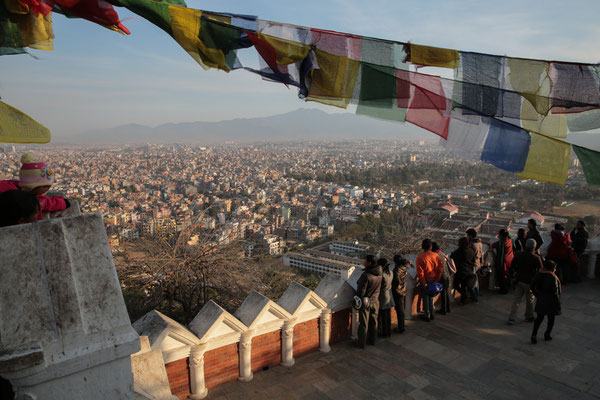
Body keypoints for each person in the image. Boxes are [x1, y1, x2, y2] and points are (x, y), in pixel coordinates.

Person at [0, 153, 69, 219]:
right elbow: (46, 203)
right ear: (31, 186)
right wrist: (63, 202)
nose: (48, 188)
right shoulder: (25, 200)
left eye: (49, 185)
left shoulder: (14, 185)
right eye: (44, 186)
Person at [508, 239, 543, 324]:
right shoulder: (536, 258)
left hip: (519, 280)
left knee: (517, 300)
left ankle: (511, 317)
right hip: (530, 282)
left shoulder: (518, 254)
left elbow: (512, 266)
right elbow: (540, 270)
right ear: (534, 247)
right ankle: (529, 316)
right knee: (529, 300)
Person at [530, 260, 562, 344]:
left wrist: (537, 294)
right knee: (551, 319)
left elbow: (532, 286)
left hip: (541, 299)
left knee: (539, 319)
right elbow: (555, 292)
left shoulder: (539, 274)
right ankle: (547, 334)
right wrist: (557, 303)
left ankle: (534, 335)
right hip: (551, 301)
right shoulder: (552, 277)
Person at [356, 254, 383, 348]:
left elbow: (361, 291)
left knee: (363, 323)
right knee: (374, 321)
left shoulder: (366, 275)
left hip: (366, 302)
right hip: (375, 300)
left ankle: (361, 343)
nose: (364, 262)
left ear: (369, 263)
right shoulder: (380, 272)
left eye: (365, 261)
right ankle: (373, 340)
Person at [416, 239, 443, 321]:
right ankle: (432, 314)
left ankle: (427, 314)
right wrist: (436, 280)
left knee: (425, 297)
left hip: (425, 279)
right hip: (434, 279)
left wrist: (424, 283)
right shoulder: (436, 256)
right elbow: (440, 269)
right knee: (431, 297)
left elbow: (420, 273)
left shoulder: (420, 257)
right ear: (430, 247)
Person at [451, 237, 479, 304]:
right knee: (463, 286)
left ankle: (464, 297)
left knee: (456, 285)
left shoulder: (458, 252)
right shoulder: (471, 251)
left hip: (460, 272)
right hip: (468, 272)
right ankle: (463, 300)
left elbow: (452, 258)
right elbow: (473, 261)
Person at [432, 242, 452, 315]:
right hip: (446, 275)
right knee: (446, 292)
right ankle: (448, 308)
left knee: (443, 293)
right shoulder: (441, 254)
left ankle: (444, 309)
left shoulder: (436, 255)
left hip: (442, 276)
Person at [492, 229, 514, 294]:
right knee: (508, 275)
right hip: (510, 260)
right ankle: (507, 287)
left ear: (501, 236)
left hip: (504, 262)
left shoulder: (502, 243)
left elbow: (493, 245)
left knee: (503, 276)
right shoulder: (510, 239)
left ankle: (504, 290)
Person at [392, 255, 408, 333]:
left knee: (399, 309)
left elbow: (396, 280)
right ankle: (402, 325)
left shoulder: (397, 269)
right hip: (403, 290)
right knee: (401, 309)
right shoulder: (404, 266)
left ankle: (401, 327)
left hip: (398, 291)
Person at [377, 258, 394, 337]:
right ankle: (388, 331)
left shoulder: (382, 275)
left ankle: (384, 332)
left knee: (382, 316)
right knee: (388, 315)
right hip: (389, 295)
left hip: (382, 296)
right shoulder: (391, 272)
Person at [466, 228, 483, 295]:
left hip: (473, 264)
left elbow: (469, 255)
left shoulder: (472, 244)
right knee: (476, 280)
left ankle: (474, 296)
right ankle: (476, 293)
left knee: (472, 281)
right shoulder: (479, 242)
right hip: (478, 263)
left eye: (468, 235)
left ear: (471, 235)